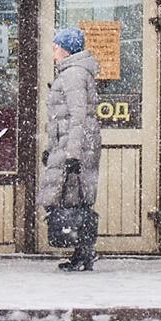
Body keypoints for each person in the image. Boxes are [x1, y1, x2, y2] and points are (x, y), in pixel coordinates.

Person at [38, 27, 101, 272]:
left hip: (73, 148)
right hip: (67, 146)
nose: (53, 51)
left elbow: (78, 118)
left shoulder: (73, 74)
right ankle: (83, 254)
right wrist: (51, 147)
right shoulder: (72, 72)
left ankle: (83, 254)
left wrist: (73, 155)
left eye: (56, 46)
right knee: (75, 200)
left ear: (66, 48)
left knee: (75, 201)